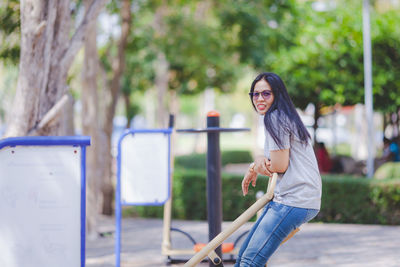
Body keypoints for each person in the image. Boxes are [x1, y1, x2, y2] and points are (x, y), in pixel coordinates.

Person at [235, 72, 322, 267]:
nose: (259, 99)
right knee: (242, 257)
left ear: (277, 95)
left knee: (250, 262)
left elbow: (279, 166)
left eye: (266, 94)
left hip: (295, 199)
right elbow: (276, 160)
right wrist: (255, 165)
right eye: (255, 94)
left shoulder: (275, 117)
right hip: (292, 199)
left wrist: (257, 165)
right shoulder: (280, 116)